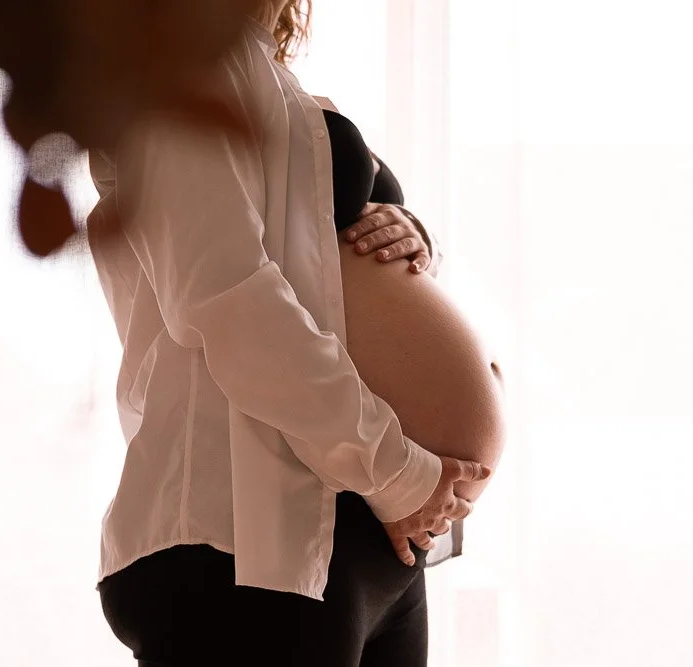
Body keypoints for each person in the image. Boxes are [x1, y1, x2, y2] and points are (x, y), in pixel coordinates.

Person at [86, 1, 506, 665]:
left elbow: (326, 256)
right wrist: (400, 472)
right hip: (245, 543)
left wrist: (412, 232)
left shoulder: (264, 80)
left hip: (362, 540)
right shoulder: (174, 67)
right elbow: (230, 299)